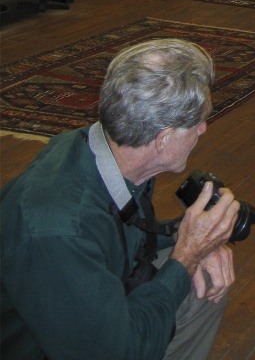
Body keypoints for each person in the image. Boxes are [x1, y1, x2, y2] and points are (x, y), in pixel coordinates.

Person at [1, 39, 241, 360]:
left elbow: (124, 234)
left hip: (82, 304)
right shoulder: (59, 228)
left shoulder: (105, 152)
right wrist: (187, 255)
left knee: (204, 278)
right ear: (163, 139)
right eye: (197, 122)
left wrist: (195, 241)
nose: (203, 129)